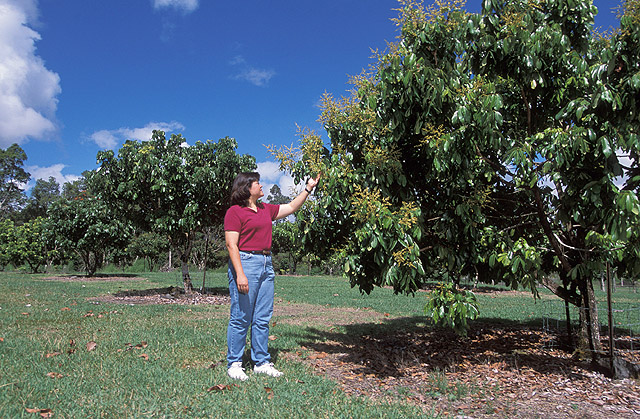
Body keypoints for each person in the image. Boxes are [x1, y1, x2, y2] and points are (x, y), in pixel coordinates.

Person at [224, 171, 320, 380]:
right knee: (241, 316)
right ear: (247, 188)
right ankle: (235, 363)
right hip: (246, 262)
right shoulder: (235, 212)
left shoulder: (265, 209)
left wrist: (308, 188)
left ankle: (261, 362)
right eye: (257, 183)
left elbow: (292, 206)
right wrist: (240, 274)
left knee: (262, 317)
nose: (261, 185)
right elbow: (232, 244)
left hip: (266, 264)